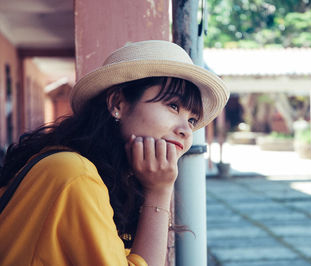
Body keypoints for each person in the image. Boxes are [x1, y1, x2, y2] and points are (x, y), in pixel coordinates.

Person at [0, 40, 229, 266]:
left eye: (192, 119)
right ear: (117, 103)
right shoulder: (75, 175)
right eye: (173, 106)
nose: (185, 131)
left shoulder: (105, 179)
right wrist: (159, 191)